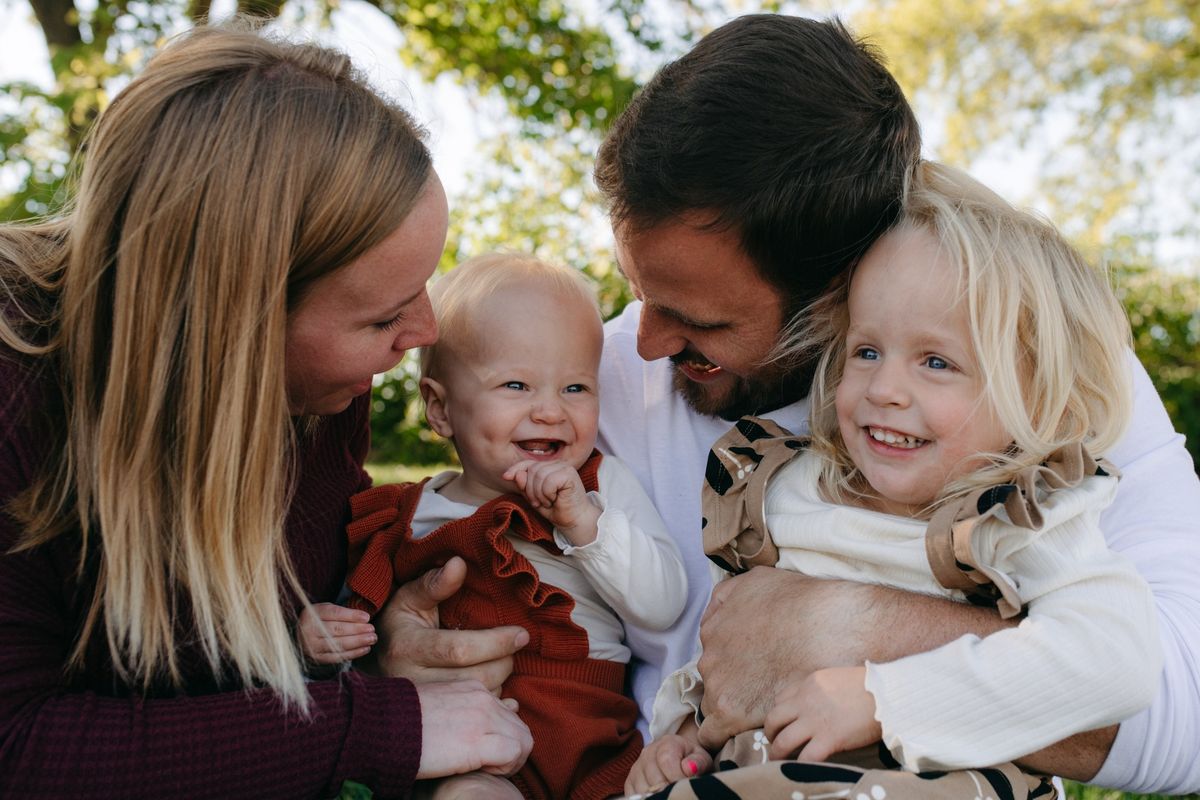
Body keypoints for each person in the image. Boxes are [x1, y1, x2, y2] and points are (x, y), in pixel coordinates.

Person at [593, 13, 1200, 795]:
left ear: (845, 289)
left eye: (703, 322)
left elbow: (1184, 711)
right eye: (637, 291)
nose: (644, 343)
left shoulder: (1031, 362)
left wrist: (848, 633)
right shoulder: (587, 384)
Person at [0, 24, 531, 798]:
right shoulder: (18, 386)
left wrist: (386, 632)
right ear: (231, 323)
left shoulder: (317, 395)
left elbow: (287, 632)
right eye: (383, 319)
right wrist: (378, 726)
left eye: (422, 287)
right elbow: (17, 749)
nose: (424, 334)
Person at [326, 253, 687, 800]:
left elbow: (663, 603)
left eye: (575, 388)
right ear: (441, 409)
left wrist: (584, 524)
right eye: (517, 385)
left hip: (588, 731)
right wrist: (320, 632)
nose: (549, 411)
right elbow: (359, 608)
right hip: (475, 745)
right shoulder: (410, 513)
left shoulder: (597, 487)